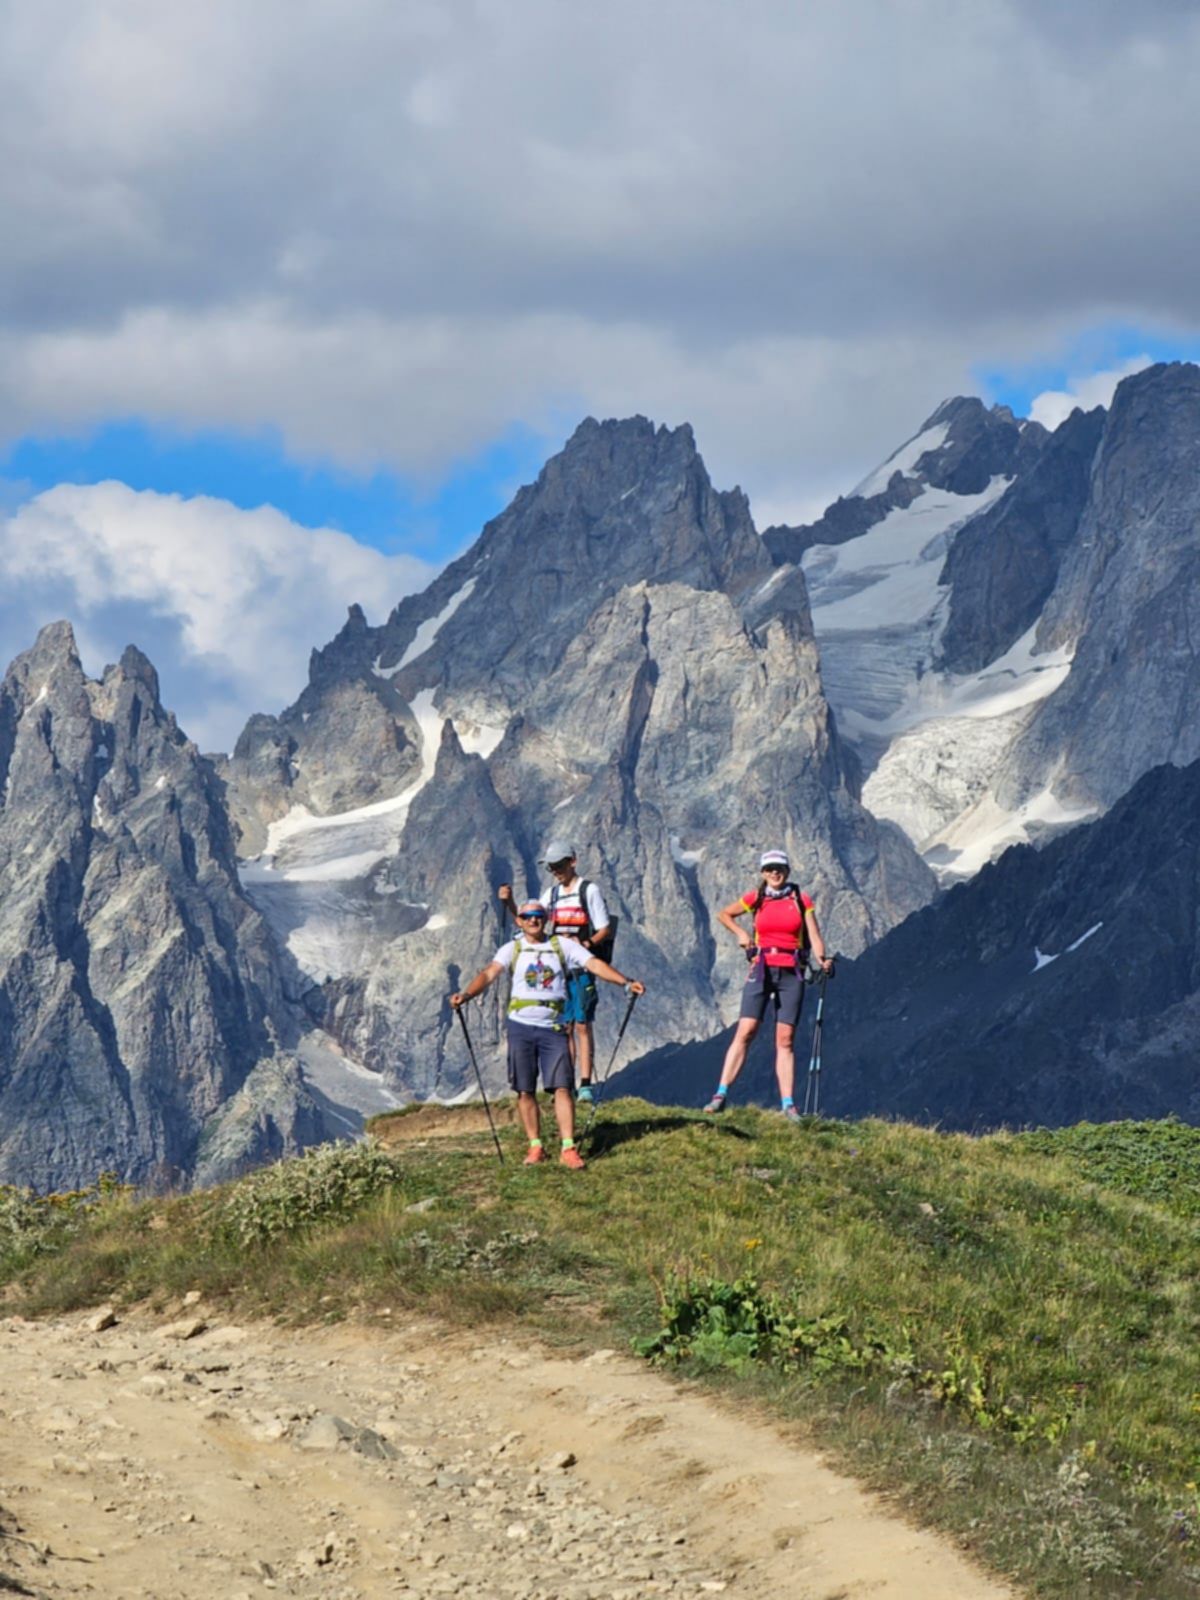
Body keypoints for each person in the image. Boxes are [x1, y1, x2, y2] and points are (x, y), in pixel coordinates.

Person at [450, 900, 644, 1169]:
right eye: (527, 916)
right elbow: (489, 973)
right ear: (519, 921)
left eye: (538, 916)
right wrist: (467, 995)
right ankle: (535, 1146)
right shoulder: (512, 948)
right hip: (520, 1026)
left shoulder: (562, 945)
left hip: (554, 1026)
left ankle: (568, 1148)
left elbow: (594, 964)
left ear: (546, 919)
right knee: (525, 1089)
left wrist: (625, 982)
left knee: (563, 1087)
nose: (533, 920)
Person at [703, 850, 833, 1121]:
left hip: (791, 972)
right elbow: (724, 914)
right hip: (762, 968)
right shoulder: (757, 897)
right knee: (746, 1030)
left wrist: (823, 959)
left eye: (779, 868)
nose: (775, 872)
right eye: (770, 868)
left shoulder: (801, 899)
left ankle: (788, 1105)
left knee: (785, 1039)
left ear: (787, 871)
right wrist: (742, 934)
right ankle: (720, 1095)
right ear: (763, 873)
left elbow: (814, 934)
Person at [498, 840, 613, 1103]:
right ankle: (567, 1084)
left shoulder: (589, 890)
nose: (556, 871)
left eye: (559, 865)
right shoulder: (551, 895)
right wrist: (509, 903)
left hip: (581, 966)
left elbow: (604, 928)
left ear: (572, 861)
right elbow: (528, 920)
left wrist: (585, 945)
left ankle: (586, 1084)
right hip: (557, 968)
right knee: (565, 1025)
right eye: (551, 867)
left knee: (582, 1024)